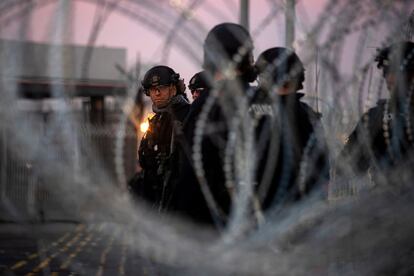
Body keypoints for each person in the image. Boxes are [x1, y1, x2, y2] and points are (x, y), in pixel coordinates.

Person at [173, 23, 258, 227]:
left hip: (213, 220)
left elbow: (192, 170)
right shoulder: (261, 100)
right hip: (259, 216)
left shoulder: (206, 105)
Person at [253, 47, 329, 211]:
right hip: (299, 203)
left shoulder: (255, 111)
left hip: (264, 203)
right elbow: (321, 163)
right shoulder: (306, 114)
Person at [338, 41, 414, 183]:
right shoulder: (377, 116)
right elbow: (349, 161)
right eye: (386, 71)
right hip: (389, 195)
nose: (389, 78)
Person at [129, 65, 190, 212]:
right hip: (158, 196)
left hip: (179, 198)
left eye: (161, 88)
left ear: (173, 89)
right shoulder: (158, 119)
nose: (156, 94)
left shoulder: (187, 116)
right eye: (152, 90)